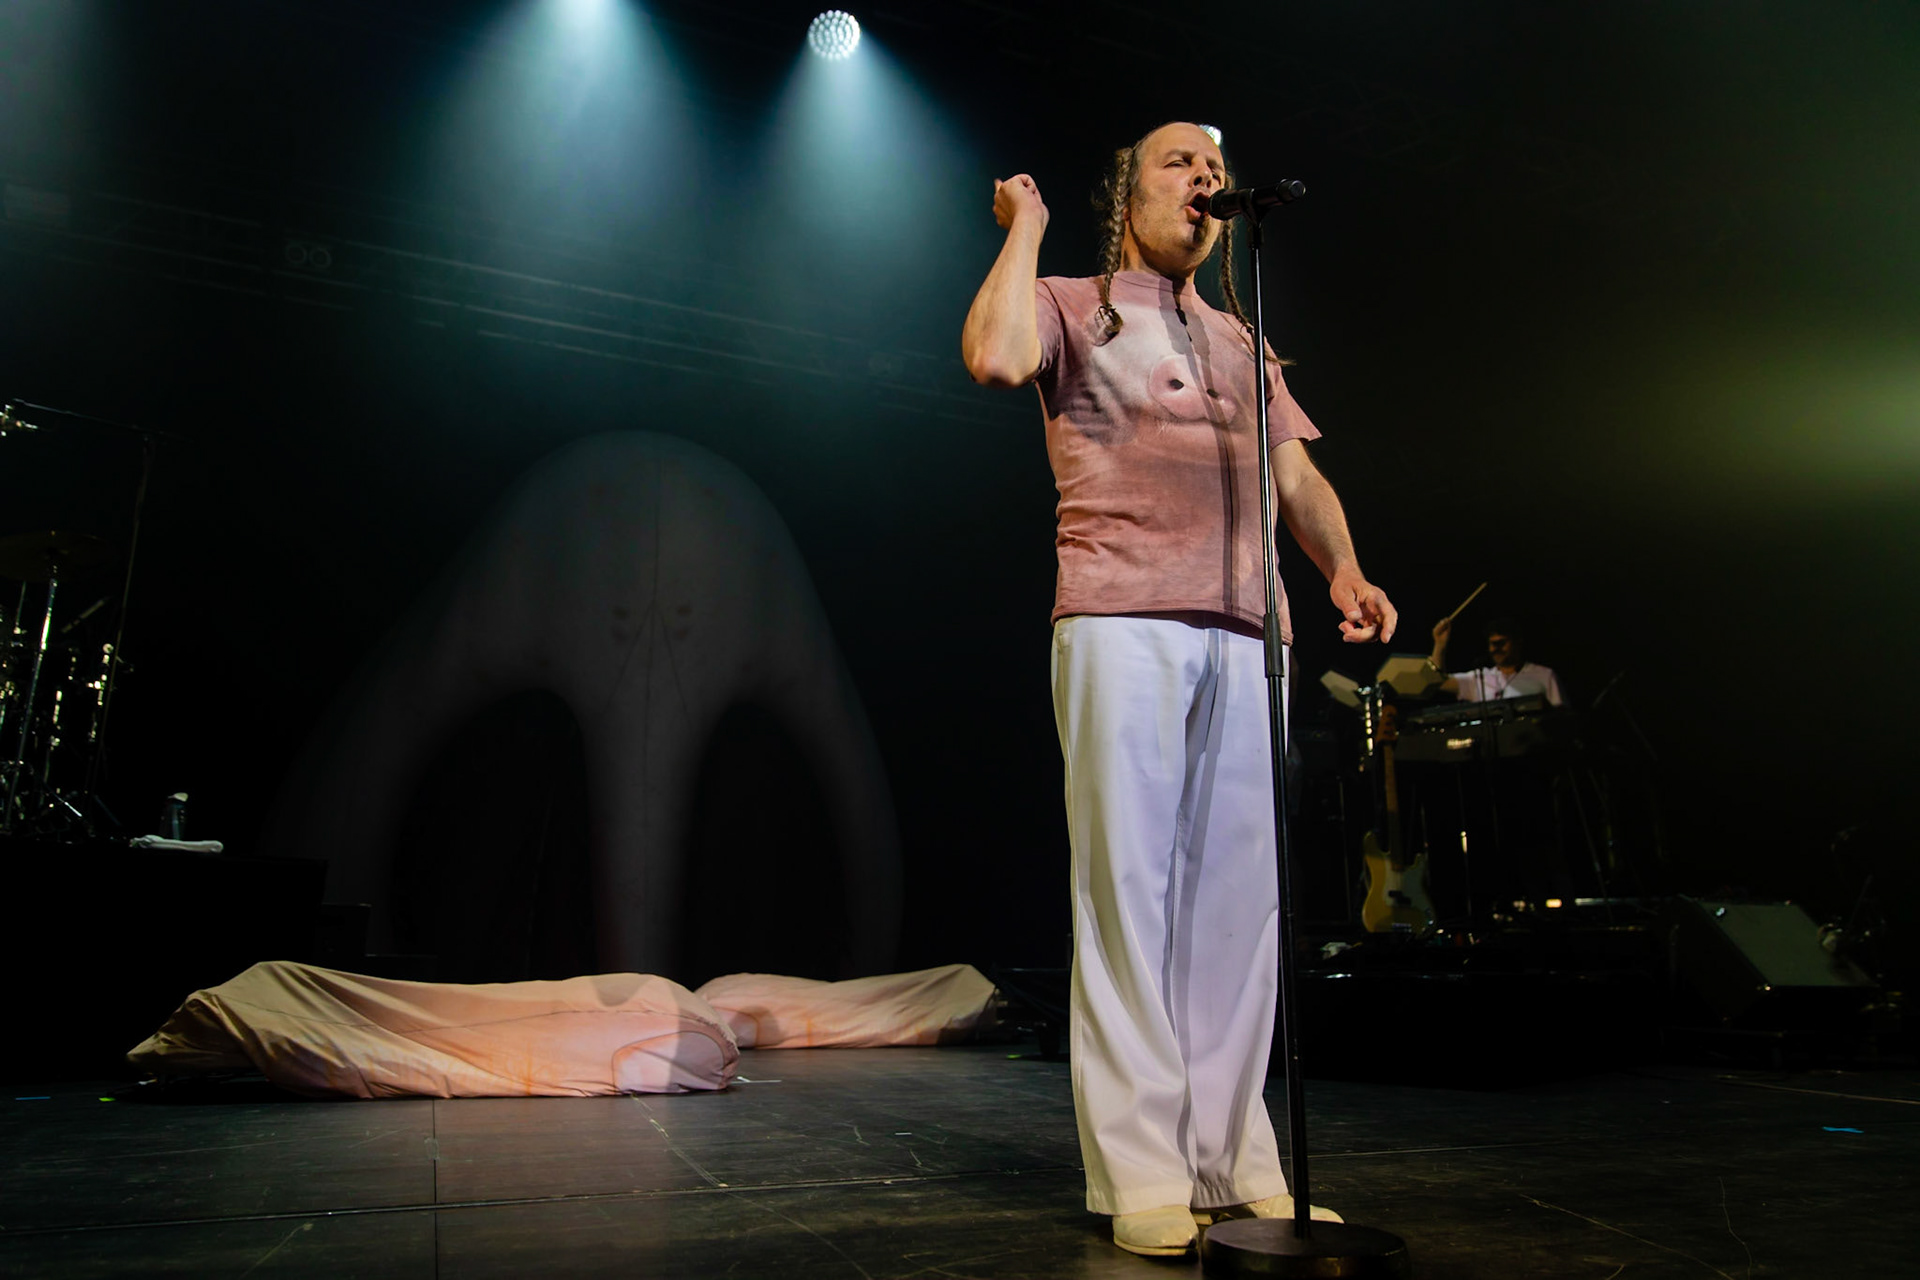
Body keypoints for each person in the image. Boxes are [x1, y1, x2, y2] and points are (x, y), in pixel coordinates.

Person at [960, 121, 1397, 1257]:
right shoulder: (1068, 298)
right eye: (1179, 165)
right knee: (1130, 900)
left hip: (1253, 631)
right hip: (1120, 617)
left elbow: (1295, 470)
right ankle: (1143, 1171)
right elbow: (996, 359)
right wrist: (1030, 231)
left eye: (1215, 170)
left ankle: (1236, 1158)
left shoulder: (1244, 339)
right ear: (1129, 192)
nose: (1205, 181)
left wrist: (1342, 565)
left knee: (1236, 912)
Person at [1428, 614, 1564, 705]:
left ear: (1517, 642)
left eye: (1502, 643)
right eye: (1493, 644)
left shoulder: (1544, 675)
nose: (1496, 649)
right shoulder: (1479, 679)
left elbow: (1562, 717)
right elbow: (1437, 682)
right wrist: (1440, 644)